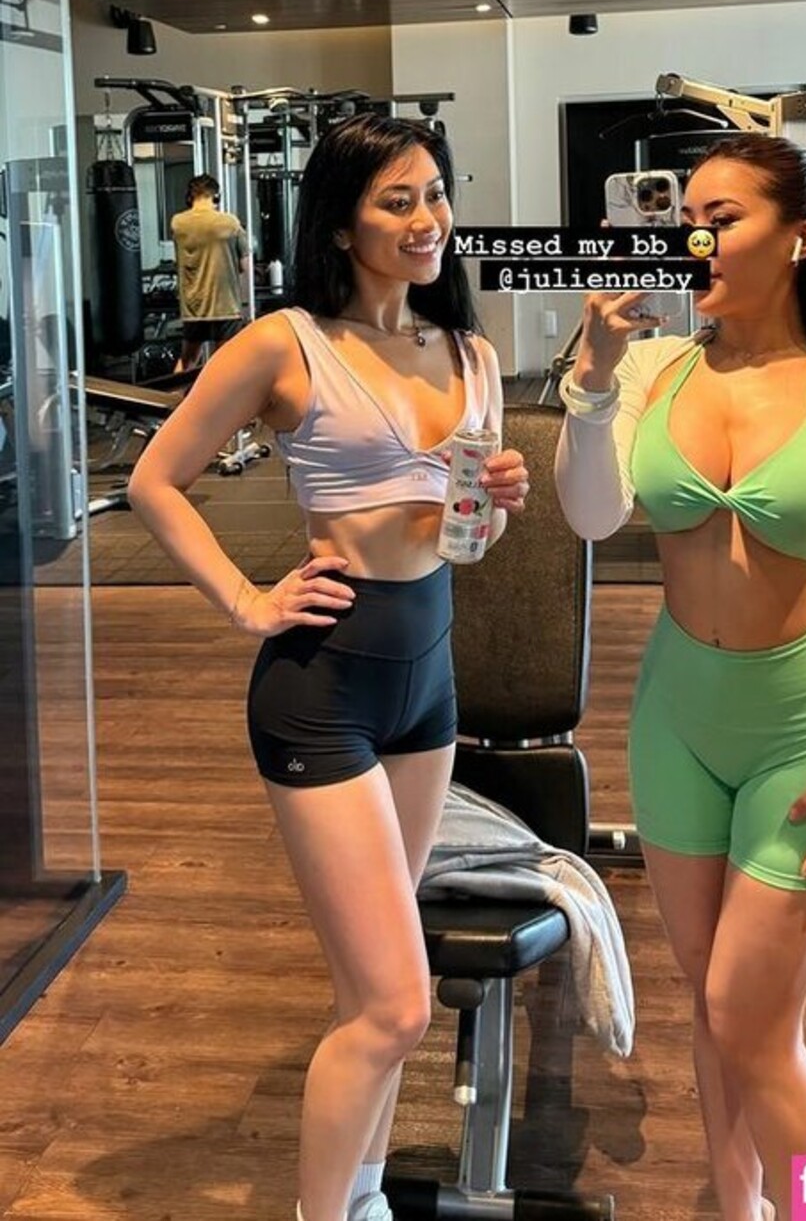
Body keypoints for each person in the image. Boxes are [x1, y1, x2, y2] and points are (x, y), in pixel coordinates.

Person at [129, 115, 530, 1221]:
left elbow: (467, 542)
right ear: (343, 222)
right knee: (398, 1006)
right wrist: (246, 600)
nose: (427, 218)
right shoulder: (286, 343)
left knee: (371, 990)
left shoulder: (470, 353)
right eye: (398, 200)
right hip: (324, 686)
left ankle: (361, 1197)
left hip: (427, 680)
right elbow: (156, 481)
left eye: (435, 193)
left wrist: (496, 506)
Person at [554, 133, 806, 1221]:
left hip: (804, 726)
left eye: (723, 219)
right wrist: (592, 375)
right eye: (688, 218)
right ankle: (738, 1205)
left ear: (800, 238)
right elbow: (592, 516)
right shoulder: (650, 370)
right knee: (715, 1001)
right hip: (676, 718)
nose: (697, 239)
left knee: (750, 1014)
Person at [170, 173, 251, 371]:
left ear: (190, 197)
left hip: (194, 307)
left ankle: (175, 391)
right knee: (223, 365)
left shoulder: (178, 223)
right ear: (216, 197)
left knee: (188, 361)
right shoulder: (230, 223)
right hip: (225, 306)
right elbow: (245, 266)